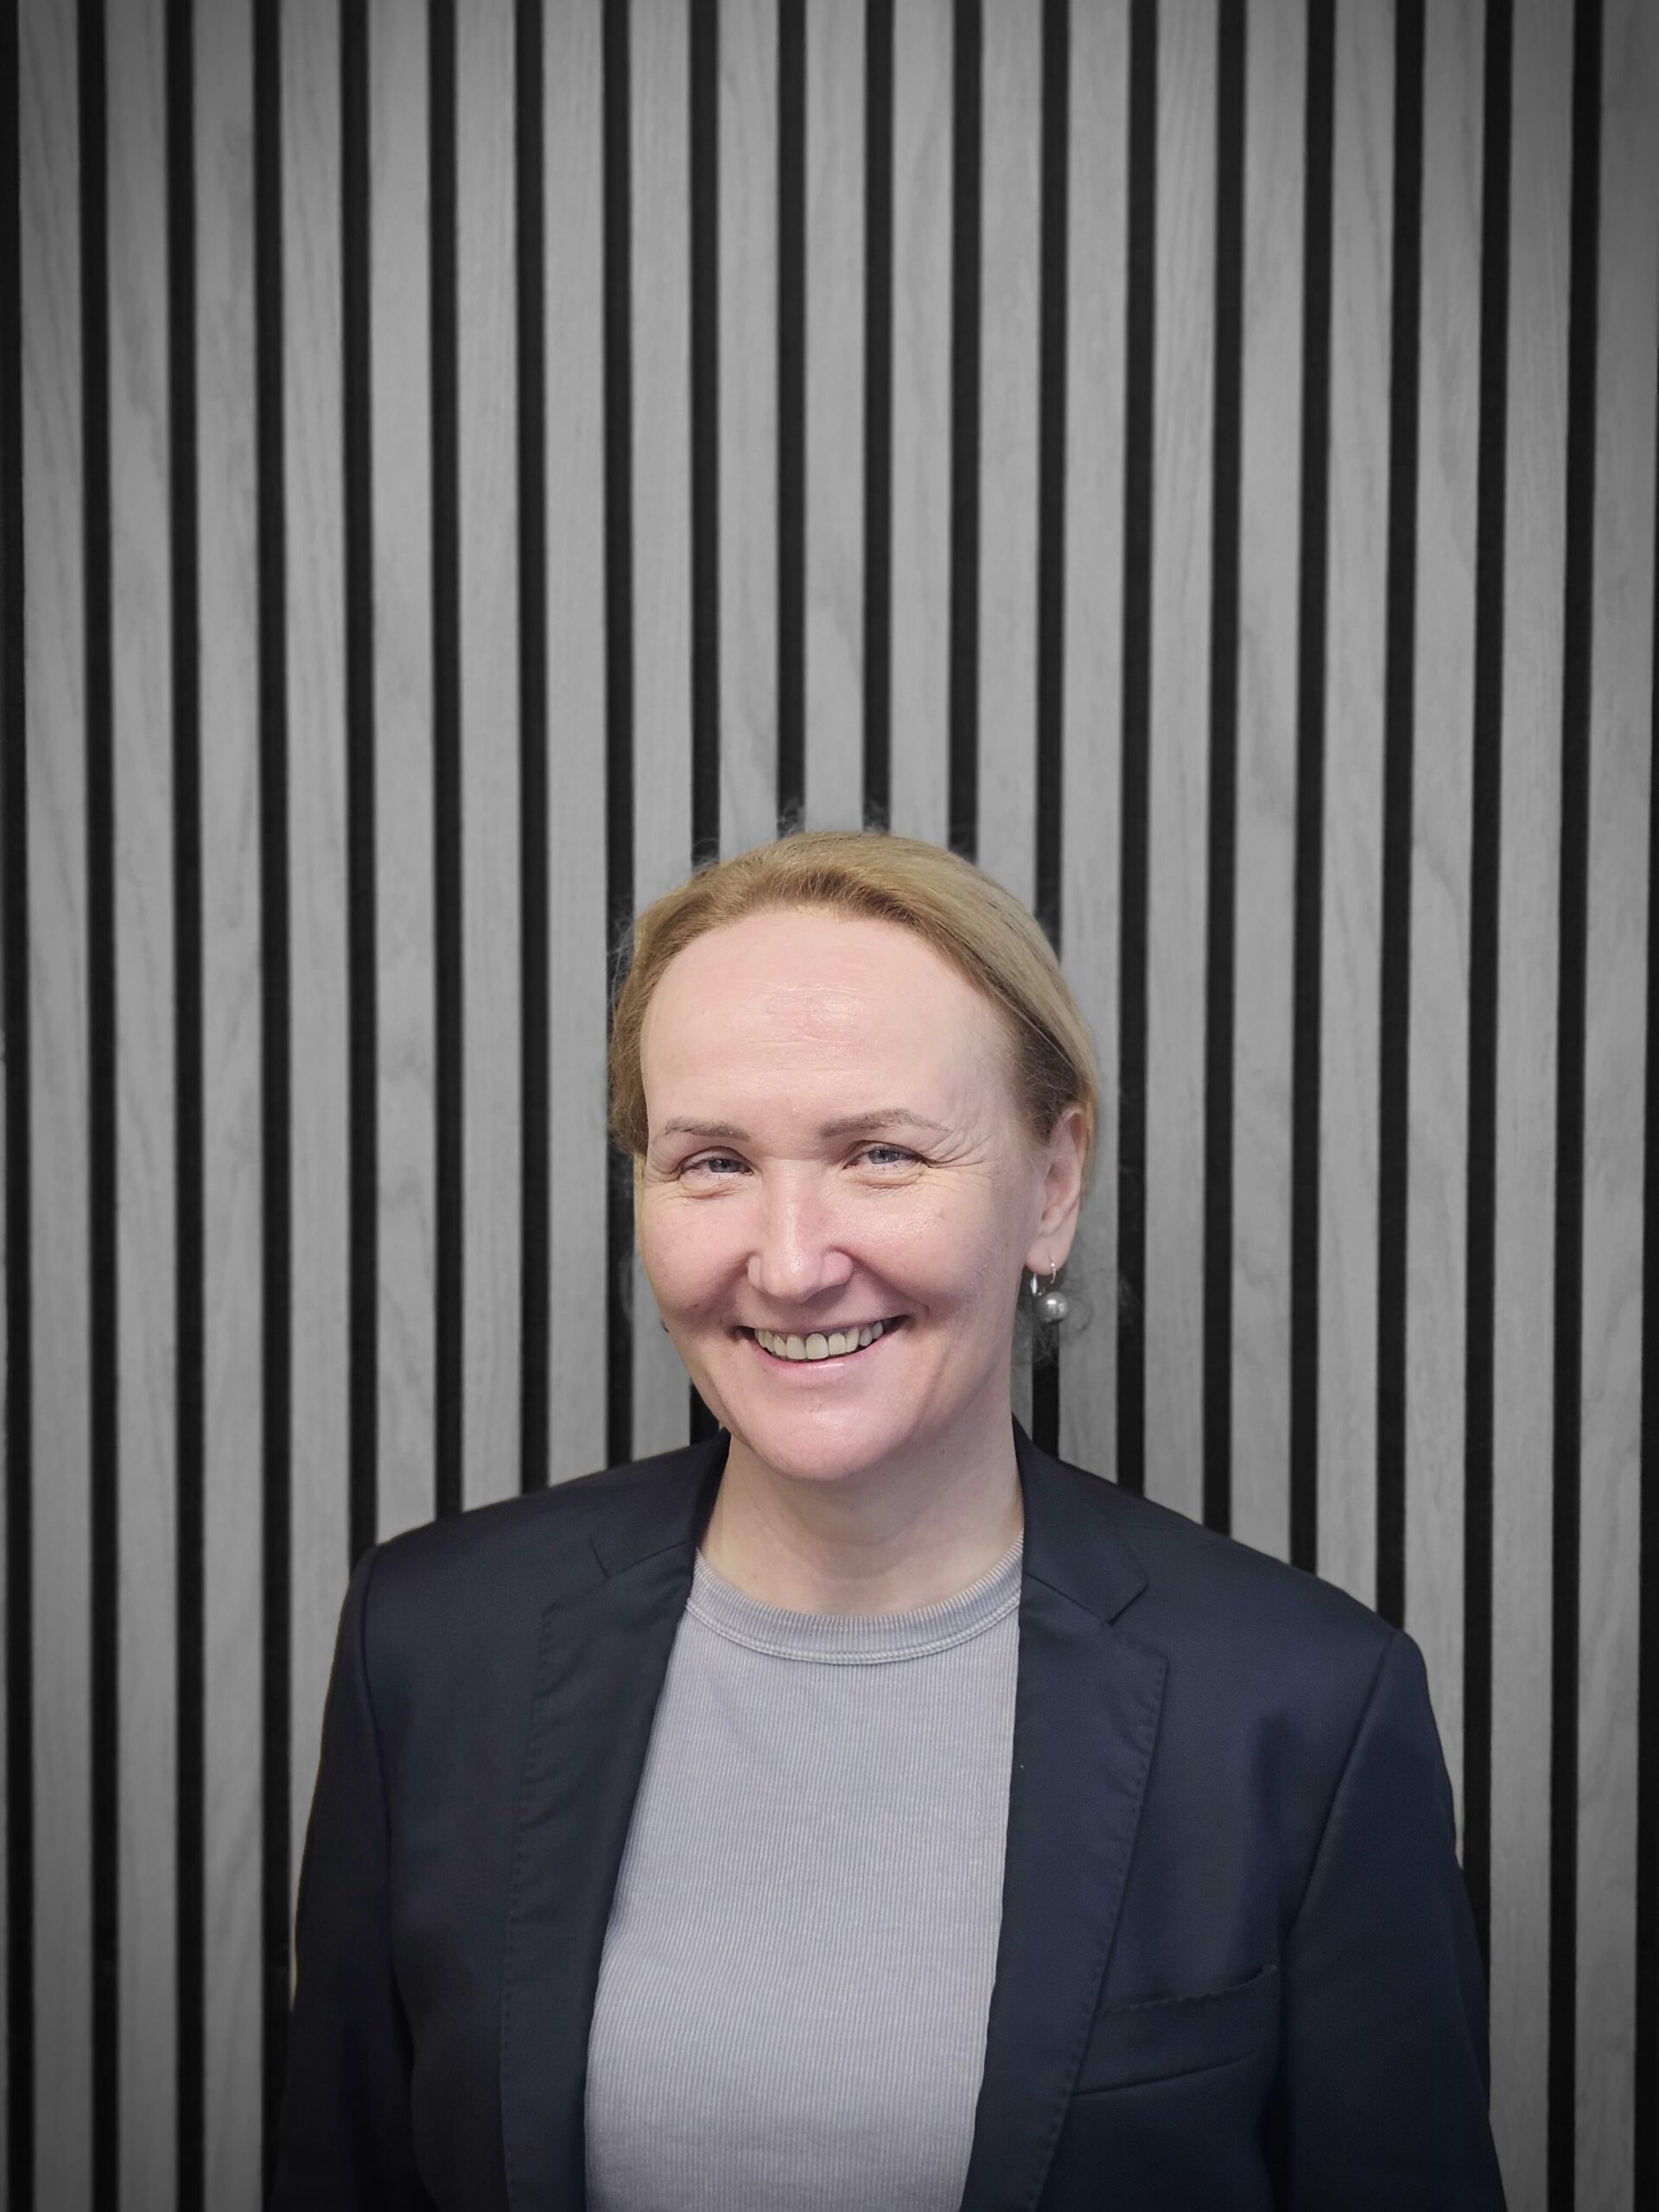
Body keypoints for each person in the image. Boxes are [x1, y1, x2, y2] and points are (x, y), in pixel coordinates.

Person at [269, 830, 1507, 2210]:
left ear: (1053, 1184)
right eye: (712, 1161)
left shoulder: (1303, 1710)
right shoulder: (434, 1649)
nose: (793, 1263)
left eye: (881, 1154)